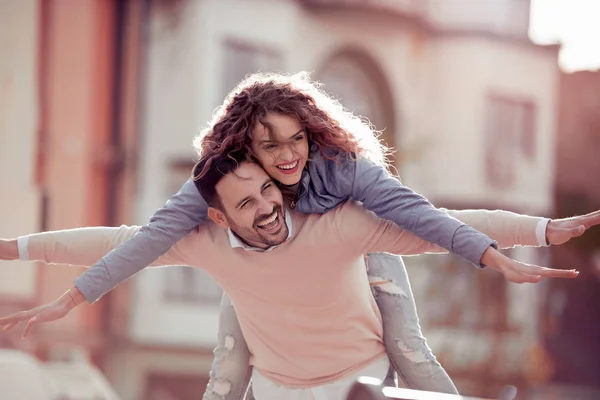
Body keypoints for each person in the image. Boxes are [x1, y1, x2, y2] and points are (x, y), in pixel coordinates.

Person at [1, 71, 591, 399]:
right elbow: (118, 243)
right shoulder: (202, 218)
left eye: (292, 146)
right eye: (248, 193)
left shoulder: (343, 192)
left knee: (411, 347)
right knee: (228, 364)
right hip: (276, 365)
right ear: (219, 207)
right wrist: (24, 256)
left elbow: (436, 220)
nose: (269, 194)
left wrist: (532, 233)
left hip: (362, 296)